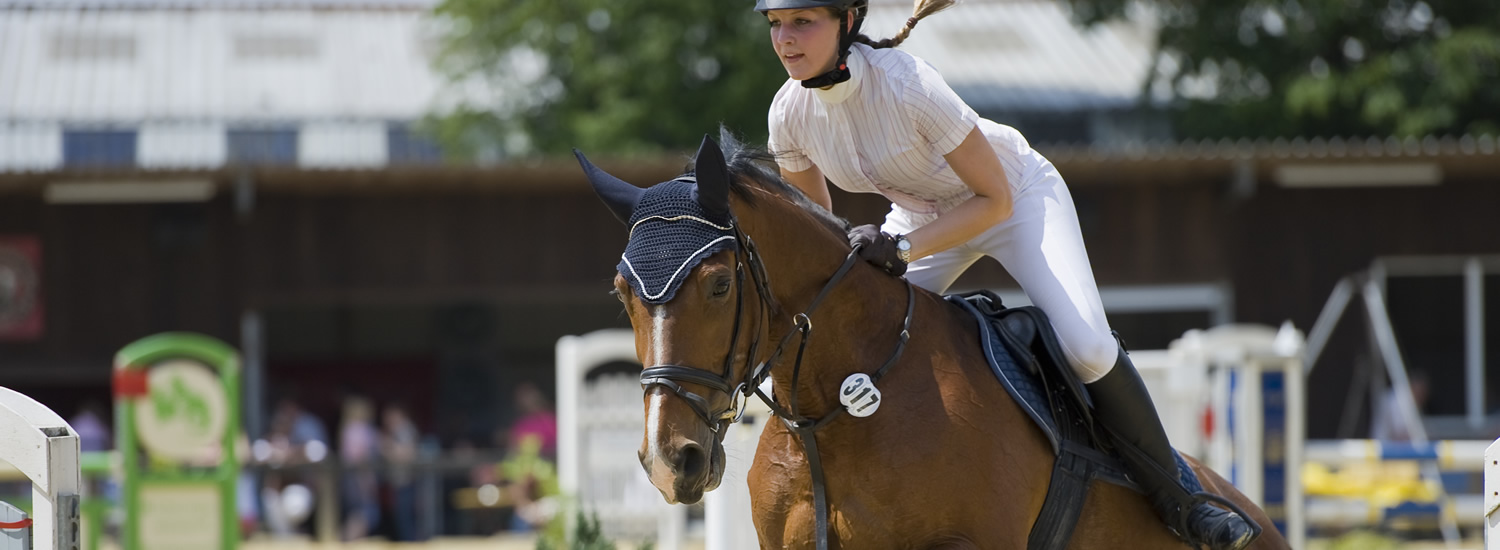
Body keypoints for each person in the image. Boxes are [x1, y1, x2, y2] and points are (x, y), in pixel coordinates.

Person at [755, 1, 1257, 548]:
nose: (785, 38)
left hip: (1016, 200)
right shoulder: (788, 113)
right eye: (776, 23)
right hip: (921, 217)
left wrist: (899, 248)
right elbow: (820, 234)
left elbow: (993, 199)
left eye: (802, 21)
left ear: (848, 20)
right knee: (846, 330)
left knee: (1088, 346)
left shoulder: (908, 84)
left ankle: (1182, 499)